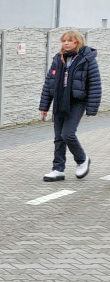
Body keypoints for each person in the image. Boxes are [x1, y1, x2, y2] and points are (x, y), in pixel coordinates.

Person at [39, 29, 101, 181]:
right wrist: (44, 106)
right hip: (60, 100)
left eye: (69, 40)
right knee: (58, 137)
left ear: (77, 42)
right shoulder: (58, 59)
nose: (66, 43)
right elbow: (49, 84)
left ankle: (82, 160)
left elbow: (95, 84)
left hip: (77, 102)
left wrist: (92, 108)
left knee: (67, 134)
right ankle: (58, 169)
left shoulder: (87, 59)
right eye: (64, 41)